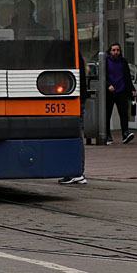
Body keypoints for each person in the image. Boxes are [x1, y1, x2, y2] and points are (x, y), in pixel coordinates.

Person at [60, 54, 89, 184]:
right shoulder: (78, 59)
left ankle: (76, 172)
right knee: (76, 135)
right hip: (78, 101)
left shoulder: (74, 60)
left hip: (75, 102)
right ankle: (75, 171)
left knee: (75, 135)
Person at [104, 43, 136, 145]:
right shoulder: (105, 62)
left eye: (117, 50)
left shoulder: (123, 62)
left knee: (124, 114)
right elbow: (103, 76)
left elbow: (127, 76)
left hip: (122, 91)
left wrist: (132, 88)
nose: (116, 52)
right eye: (113, 50)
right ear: (110, 51)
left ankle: (125, 134)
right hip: (109, 92)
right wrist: (108, 85)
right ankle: (107, 135)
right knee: (107, 114)